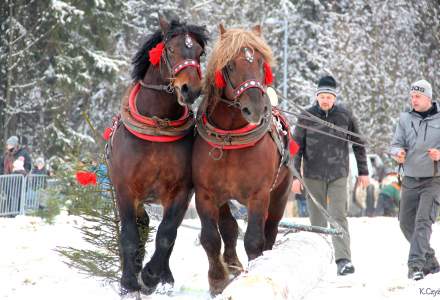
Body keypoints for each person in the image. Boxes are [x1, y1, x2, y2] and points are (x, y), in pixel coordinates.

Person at [292, 75, 369, 275]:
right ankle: (319, 261)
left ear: (335, 98)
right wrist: (294, 177)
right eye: (322, 96)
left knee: (338, 216)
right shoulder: (306, 116)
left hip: (338, 174)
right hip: (312, 175)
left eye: (329, 96)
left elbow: (359, 145)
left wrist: (364, 172)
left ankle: (343, 260)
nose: (325, 100)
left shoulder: (345, 116)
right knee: (316, 220)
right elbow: (295, 148)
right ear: (317, 97)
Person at [390, 79, 440, 281]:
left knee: (422, 222)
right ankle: (430, 260)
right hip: (410, 177)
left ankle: (416, 266)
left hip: (434, 179)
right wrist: (397, 153)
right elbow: (395, 144)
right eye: (412, 96)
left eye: (418, 96)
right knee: (405, 223)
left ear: (428, 97)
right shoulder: (404, 119)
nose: (414, 100)